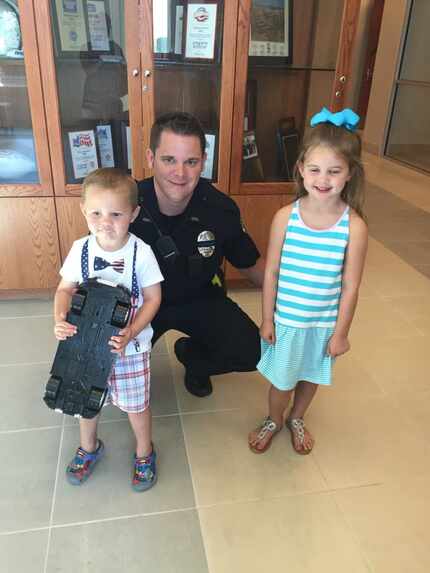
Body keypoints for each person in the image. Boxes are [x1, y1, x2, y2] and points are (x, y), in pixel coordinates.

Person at [248, 108, 368, 455]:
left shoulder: (354, 227)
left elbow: (351, 287)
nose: (323, 179)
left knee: (310, 377)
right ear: (300, 169)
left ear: (349, 174)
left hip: (322, 324)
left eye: (334, 171)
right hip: (286, 321)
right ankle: (275, 418)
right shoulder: (286, 217)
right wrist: (268, 318)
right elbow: (270, 272)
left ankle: (298, 418)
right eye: (314, 169)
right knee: (281, 381)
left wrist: (340, 332)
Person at [130, 112, 264, 397]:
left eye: (191, 162)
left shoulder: (220, 209)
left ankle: (195, 360)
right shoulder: (127, 203)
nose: (180, 173)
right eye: (169, 160)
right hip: (144, 303)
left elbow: (251, 266)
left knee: (254, 352)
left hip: (201, 297)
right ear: (151, 159)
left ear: (203, 161)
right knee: (107, 359)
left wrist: (302, 297)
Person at [54, 168, 163, 490]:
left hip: (129, 349)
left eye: (116, 214)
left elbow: (154, 298)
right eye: (96, 213)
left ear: (134, 213)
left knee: (136, 405)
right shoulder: (81, 249)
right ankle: (89, 447)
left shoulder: (140, 252)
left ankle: (145, 451)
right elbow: (64, 290)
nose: (106, 222)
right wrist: (60, 319)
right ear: (83, 211)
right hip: (86, 347)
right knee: (86, 401)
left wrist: (131, 331)